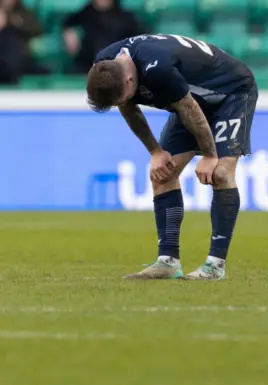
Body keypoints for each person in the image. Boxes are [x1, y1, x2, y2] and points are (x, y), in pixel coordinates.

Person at [86, 33, 258, 280]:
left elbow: (189, 108)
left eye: (121, 98)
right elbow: (130, 107)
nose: (122, 103)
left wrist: (209, 155)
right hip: (187, 101)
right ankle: (168, 262)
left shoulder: (158, 68)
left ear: (130, 78)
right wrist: (155, 151)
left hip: (231, 92)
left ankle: (215, 265)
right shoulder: (106, 64)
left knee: (220, 172)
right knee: (161, 173)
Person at [64, 0, 143, 73]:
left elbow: (139, 39)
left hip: (116, 67)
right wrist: (69, 33)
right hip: (87, 65)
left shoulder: (126, 18)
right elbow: (68, 23)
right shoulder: (87, 13)